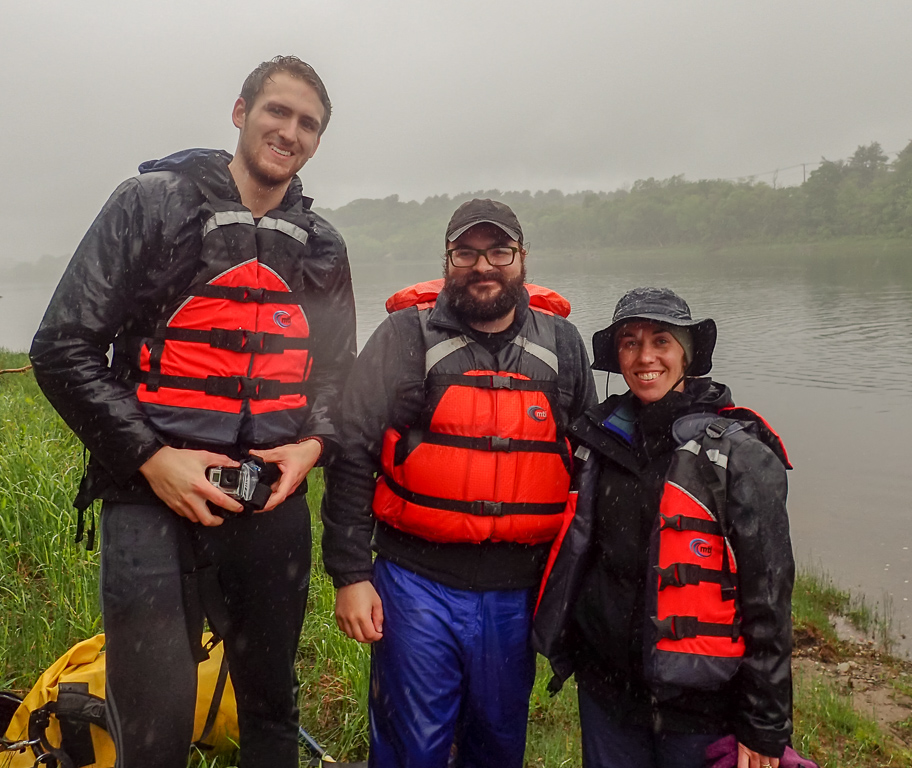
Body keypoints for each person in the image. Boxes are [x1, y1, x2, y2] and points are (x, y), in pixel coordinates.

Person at [29, 56, 356, 768]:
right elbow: (61, 347)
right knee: (155, 731)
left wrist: (312, 448)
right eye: (277, 111)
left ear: (317, 142)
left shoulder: (324, 247)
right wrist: (153, 459)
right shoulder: (151, 203)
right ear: (241, 113)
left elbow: (334, 377)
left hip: (269, 504)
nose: (289, 131)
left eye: (308, 124)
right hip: (151, 497)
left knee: (271, 712)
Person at [322, 199, 597, 767]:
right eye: (466, 253)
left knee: (496, 743)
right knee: (412, 745)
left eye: (499, 251)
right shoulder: (403, 336)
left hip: (517, 593)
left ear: (522, 259)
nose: (483, 266)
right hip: (415, 582)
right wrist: (350, 574)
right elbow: (352, 450)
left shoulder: (563, 345)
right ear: (447, 260)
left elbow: (588, 468)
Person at [533, 287, 794, 768]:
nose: (645, 357)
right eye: (630, 343)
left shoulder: (738, 455)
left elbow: (769, 599)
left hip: (701, 709)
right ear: (617, 356)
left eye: (661, 342)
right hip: (607, 695)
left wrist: (764, 724)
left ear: (687, 356)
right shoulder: (596, 441)